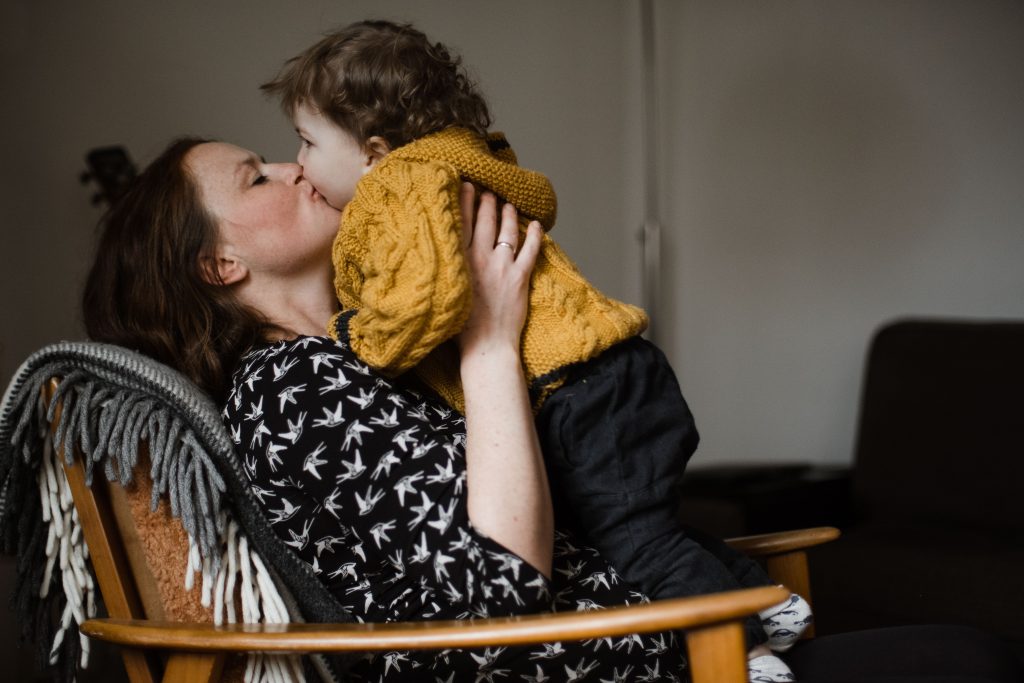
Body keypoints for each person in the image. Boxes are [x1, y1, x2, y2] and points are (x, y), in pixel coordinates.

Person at [80, 136, 1023, 683]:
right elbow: (494, 590)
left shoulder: (366, 351)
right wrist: (490, 339)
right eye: (255, 178)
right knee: (970, 659)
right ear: (220, 265)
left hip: (656, 648)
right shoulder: (293, 391)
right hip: (602, 670)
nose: (292, 167)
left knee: (969, 652)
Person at [259, 19, 806, 678]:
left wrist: (356, 335)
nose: (297, 164)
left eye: (306, 142)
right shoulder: (464, 158)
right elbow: (536, 198)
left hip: (572, 390)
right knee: (630, 524)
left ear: (374, 151)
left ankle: (748, 651)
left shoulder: (398, 188)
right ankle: (757, 594)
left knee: (636, 538)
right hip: (612, 372)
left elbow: (427, 302)